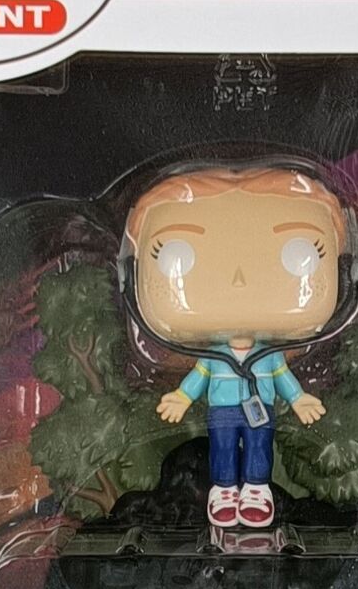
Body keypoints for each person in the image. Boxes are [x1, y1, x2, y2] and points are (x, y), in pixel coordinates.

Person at [127, 164, 346, 528]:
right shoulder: (214, 355)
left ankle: (257, 489)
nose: (239, 279)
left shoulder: (268, 353)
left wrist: (298, 398)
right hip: (223, 410)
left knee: (260, 446)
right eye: (175, 252)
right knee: (223, 447)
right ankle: (225, 489)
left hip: (260, 409)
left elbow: (282, 375)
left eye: (300, 252)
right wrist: (181, 396)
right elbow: (199, 375)